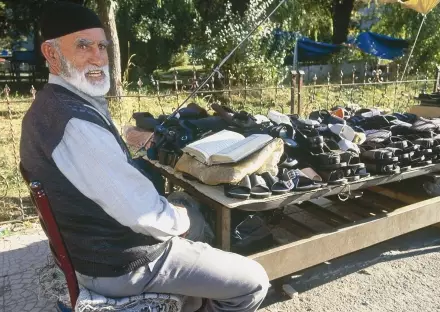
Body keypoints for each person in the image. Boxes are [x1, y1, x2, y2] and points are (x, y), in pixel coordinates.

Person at [19, 2, 269, 312]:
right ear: (51, 53)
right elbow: (142, 214)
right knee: (253, 279)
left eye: (102, 46)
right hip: (121, 264)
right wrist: (181, 219)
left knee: (186, 210)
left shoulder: (49, 105)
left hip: (92, 250)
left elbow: (102, 178)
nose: (97, 56)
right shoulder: (74, 124)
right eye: (83, 45)